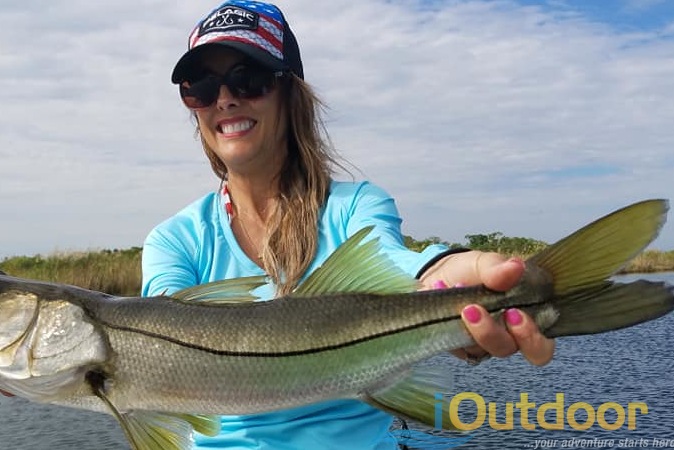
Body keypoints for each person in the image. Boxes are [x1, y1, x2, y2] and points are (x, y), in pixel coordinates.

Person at [141, 1, 555, 449]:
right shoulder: (174, 240)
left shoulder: (356, 206)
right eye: (199, 86)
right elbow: (156, 333)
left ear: (290, 93)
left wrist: (451, 281)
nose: (225, 98)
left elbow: (401, 266)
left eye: (249, 77)